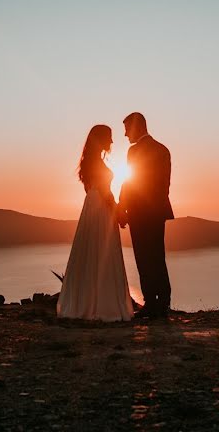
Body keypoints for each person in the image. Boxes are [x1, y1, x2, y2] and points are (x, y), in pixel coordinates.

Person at [57, 125, 134, 322]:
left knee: (91, 252)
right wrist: (116, 212)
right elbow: (105, 192)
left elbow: (92, 190)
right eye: (109, 137)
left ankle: (86, 303)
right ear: (100, 139)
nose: (112, 142)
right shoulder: (97, 164)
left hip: (91, 206)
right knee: (102, 253)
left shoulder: (90, 162)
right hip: (100, 207)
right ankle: (103, 306)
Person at [118, 112, 174, 318]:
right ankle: (163, 302)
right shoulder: (162, 149)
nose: (125, 135)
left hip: (141, 212)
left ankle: (152, 302)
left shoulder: (134, 151)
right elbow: (164, 186)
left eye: (126, 129)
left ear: (135, 127)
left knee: (144, 258)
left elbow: (130, 181)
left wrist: (123, 208)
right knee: (157, 256)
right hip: (156, 211)